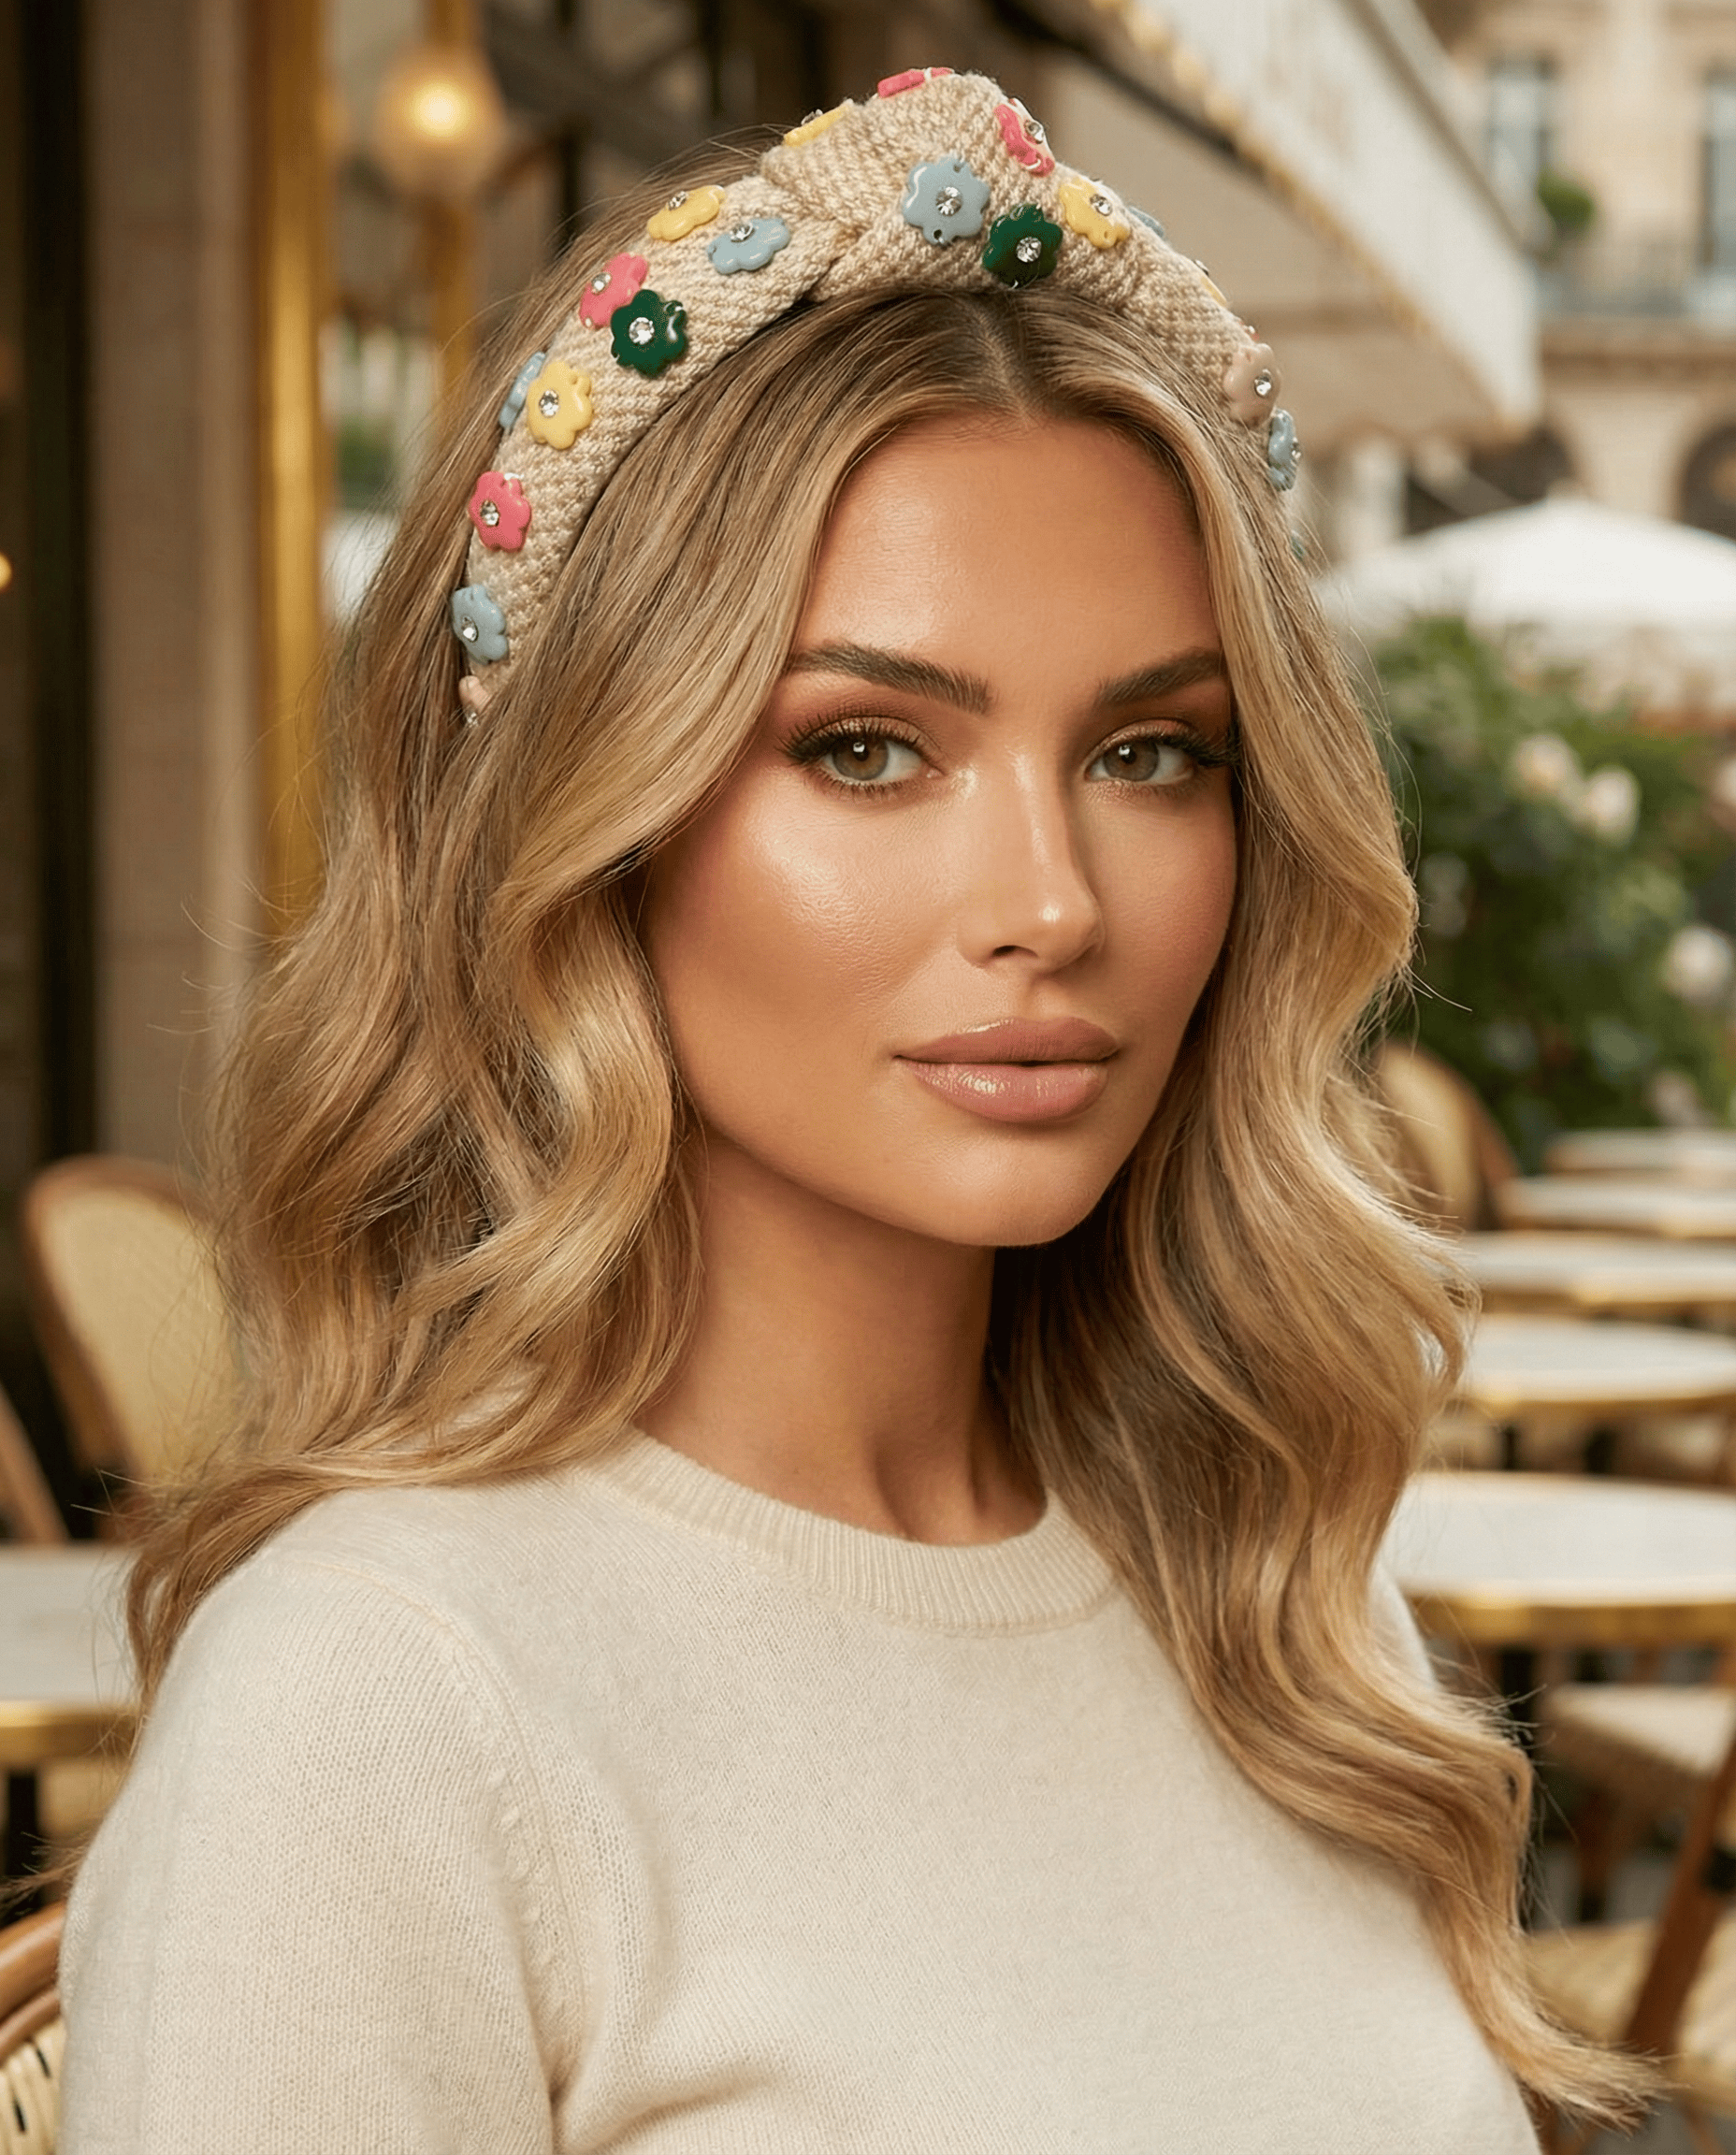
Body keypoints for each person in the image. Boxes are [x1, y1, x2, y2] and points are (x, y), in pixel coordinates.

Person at [60, 67, 1641, 2150]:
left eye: (1152, 755)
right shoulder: (379, 1714)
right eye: (870, 750)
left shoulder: (1272, 1580)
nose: (1051, 904)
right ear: (588, 821)